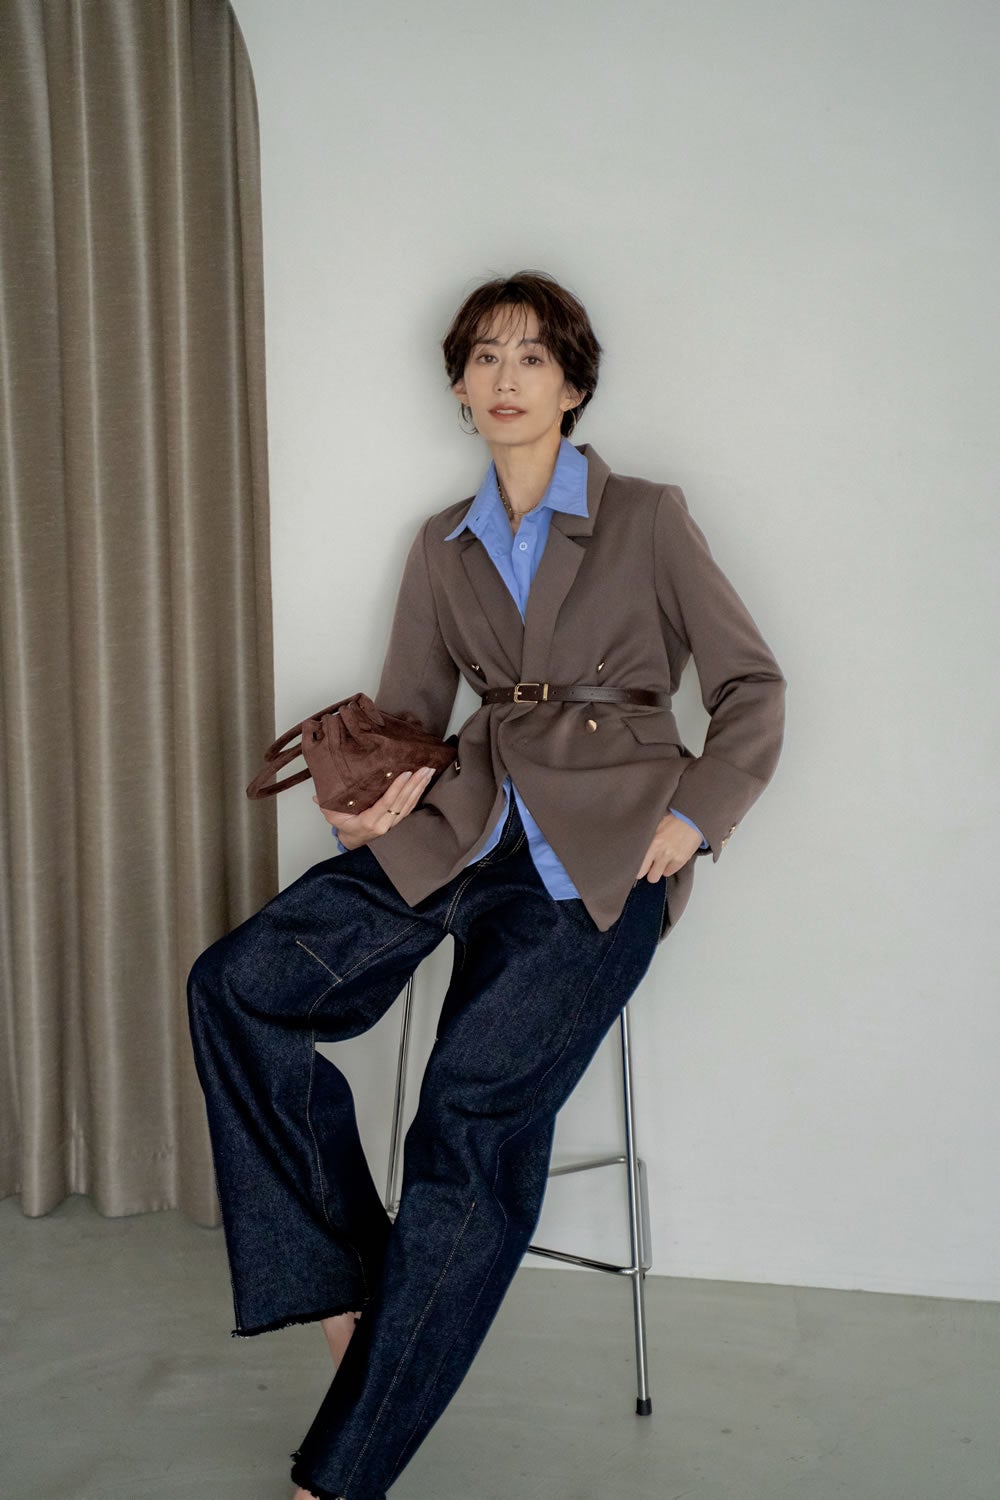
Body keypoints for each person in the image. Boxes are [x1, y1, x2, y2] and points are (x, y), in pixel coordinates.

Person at [186, 270, 786, 1500]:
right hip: (459, 833)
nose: (506, 378)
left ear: (572, 386)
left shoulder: (645, 516)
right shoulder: (442, 544)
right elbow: (415, 714)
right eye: (484, 358)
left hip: (601, 854)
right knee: (237, 987)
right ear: (459, 389)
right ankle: (352, 1282)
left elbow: (751, 687)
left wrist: (692, 819)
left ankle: (341, 1473)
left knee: (464, 1127)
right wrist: (368, 801)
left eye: (532, 357)